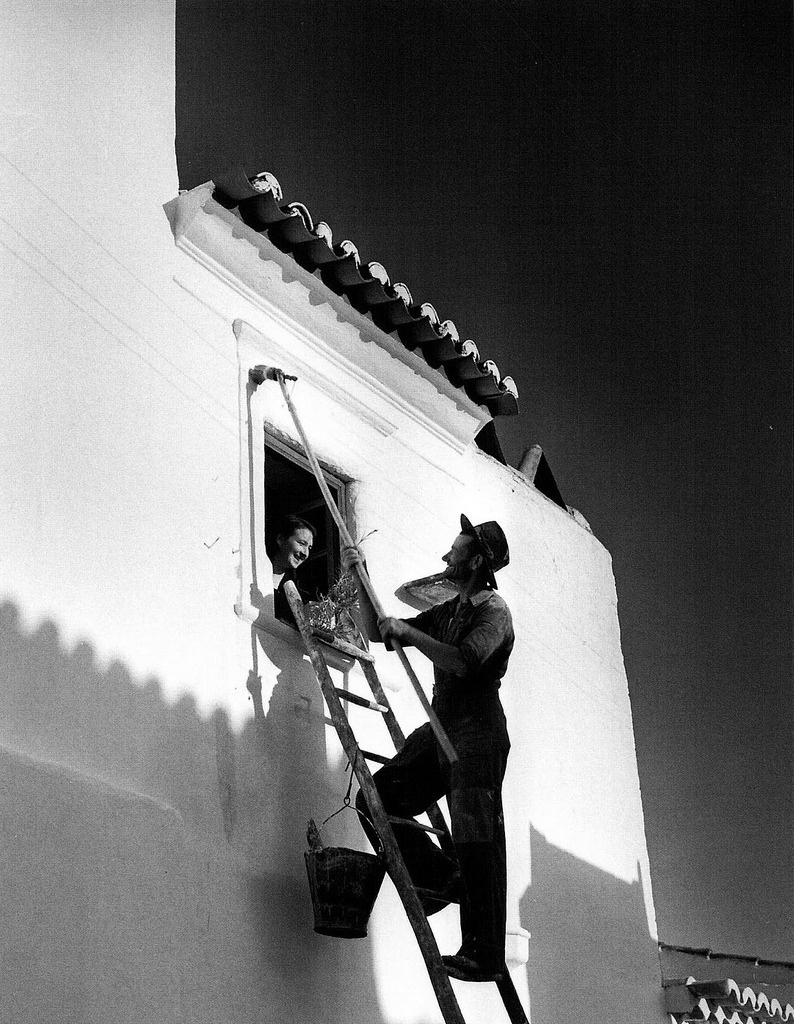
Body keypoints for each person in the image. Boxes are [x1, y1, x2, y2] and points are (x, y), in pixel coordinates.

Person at [342, 515, 514, 983]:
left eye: (454, 551)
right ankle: (439, 880)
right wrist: (362, 579)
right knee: (376, 799)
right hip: (443, 727)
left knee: (476, 835)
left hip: (478, 732)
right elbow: (382, 632)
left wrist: (414, 635)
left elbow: (462, 661)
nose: (445, 557)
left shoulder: (493, 611)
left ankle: (484, 954)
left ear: (476, 561)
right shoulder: (449, 609)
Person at [268, 513, 316, 622]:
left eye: (309, 547)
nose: (306, 553)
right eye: (301, 543)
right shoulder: (254, 572)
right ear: (280, 539)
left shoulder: (300, 594)